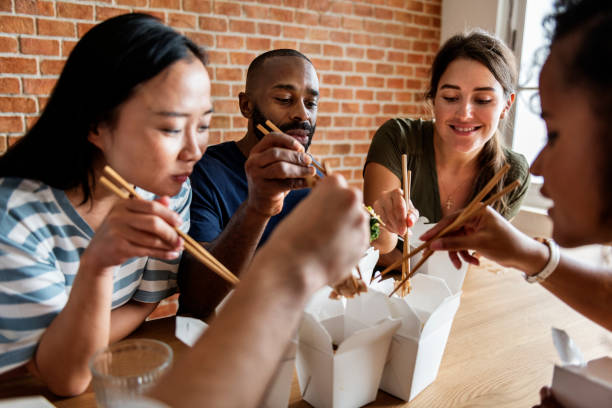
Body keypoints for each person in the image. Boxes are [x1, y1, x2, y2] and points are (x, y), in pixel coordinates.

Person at [0, 13, 370, 402]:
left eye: (203, 125)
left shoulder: (166, 195)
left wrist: (77, 342)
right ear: (97, 125)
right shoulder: (15, 219)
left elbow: (145, 302)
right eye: (172, 128)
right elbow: (65, 378)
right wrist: (98, 267)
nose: (194, 152)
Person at [418, 1, 612, 406]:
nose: (538, 164)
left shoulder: (512, 170)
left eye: (554, 132)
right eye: (450, 96)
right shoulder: (403, 139)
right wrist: (528, 255)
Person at [363, 30, 530, 267]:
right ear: (433, 99)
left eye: (482, 100)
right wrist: (383, 226)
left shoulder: (512, 174)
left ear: (506, 105)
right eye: (451, 97)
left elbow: (478, 264)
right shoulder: (396, 138)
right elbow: (377, 247)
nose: (464, 114)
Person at [179, 49, 320, 317]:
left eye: (311, 104)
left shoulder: (316, 181)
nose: (302, 115)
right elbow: (199, 299)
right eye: (285, 99)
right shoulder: (203, 172)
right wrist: (259, 206)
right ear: (247, 106)